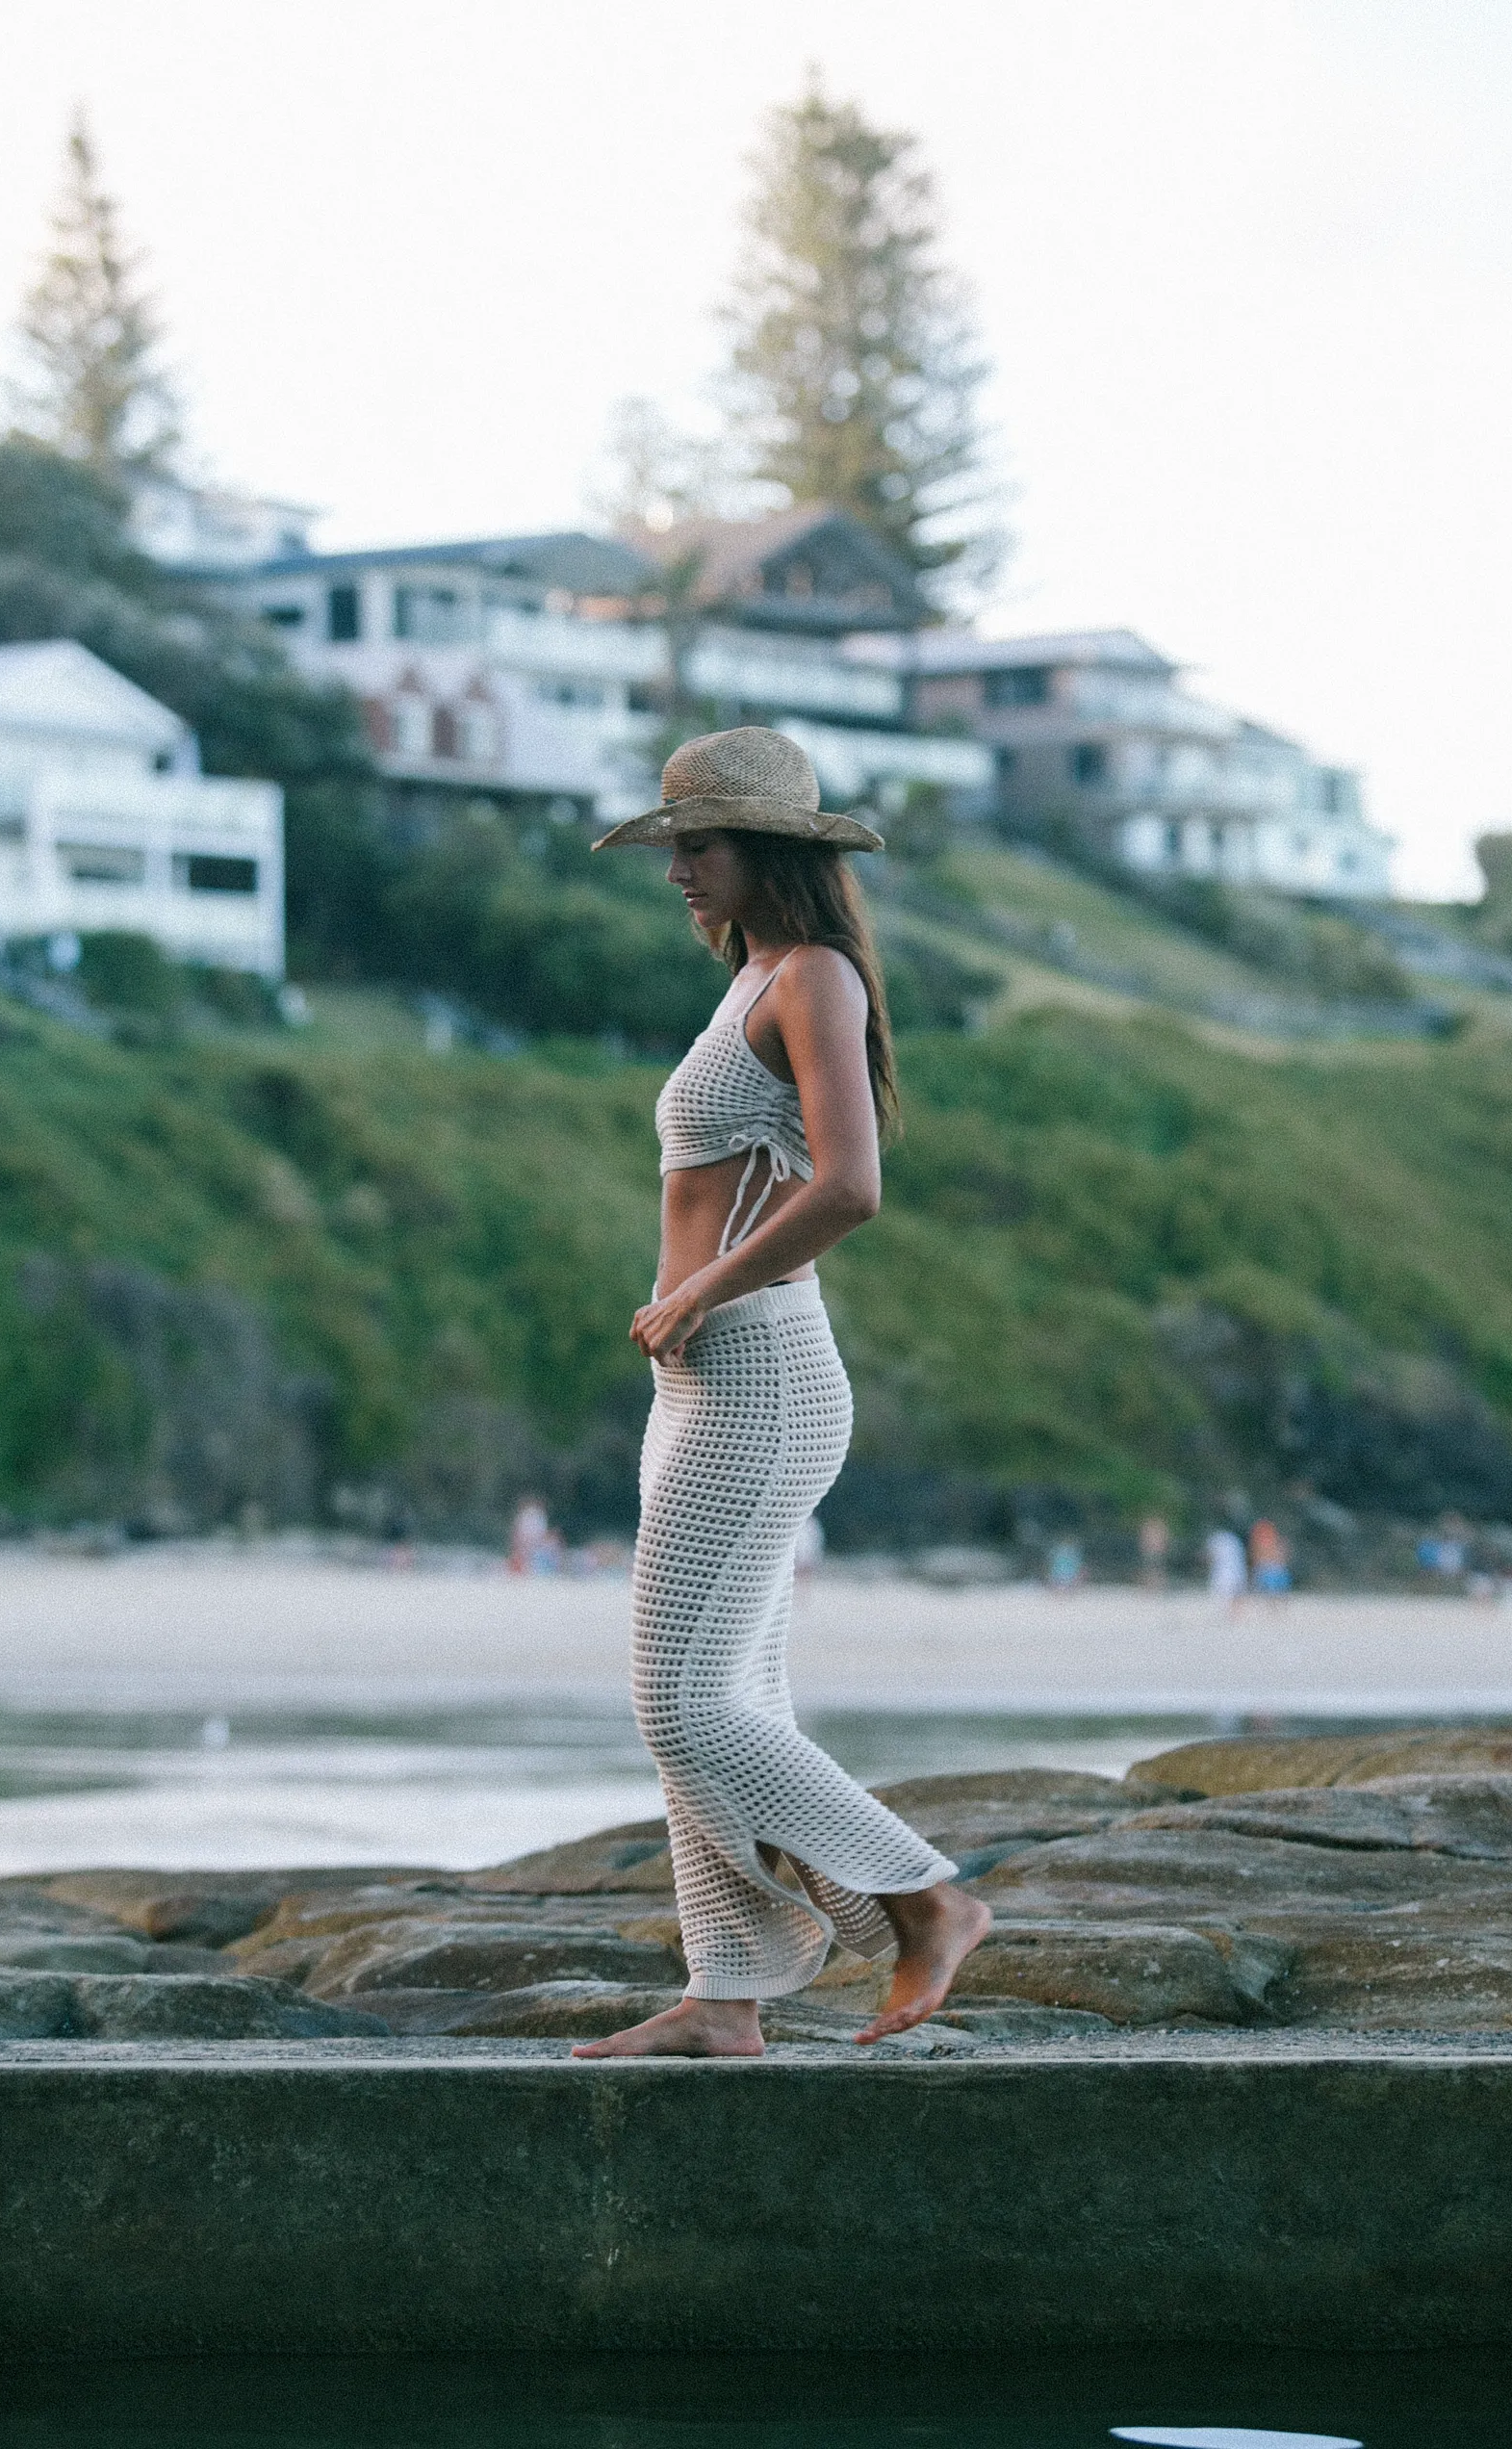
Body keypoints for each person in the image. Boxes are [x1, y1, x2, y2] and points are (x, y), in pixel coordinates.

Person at [571, 729, 990, 2059]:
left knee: (679, 1700)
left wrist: (701, 1294)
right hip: (700, 1391)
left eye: (698, 845)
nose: (678, 869)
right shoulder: (750, 975)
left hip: (761, 1376)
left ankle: (924, 1899)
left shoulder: (812, 977)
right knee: (727, 1694)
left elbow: (850, 1187)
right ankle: (723, 1999)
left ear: (770, 851)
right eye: (674, 845)